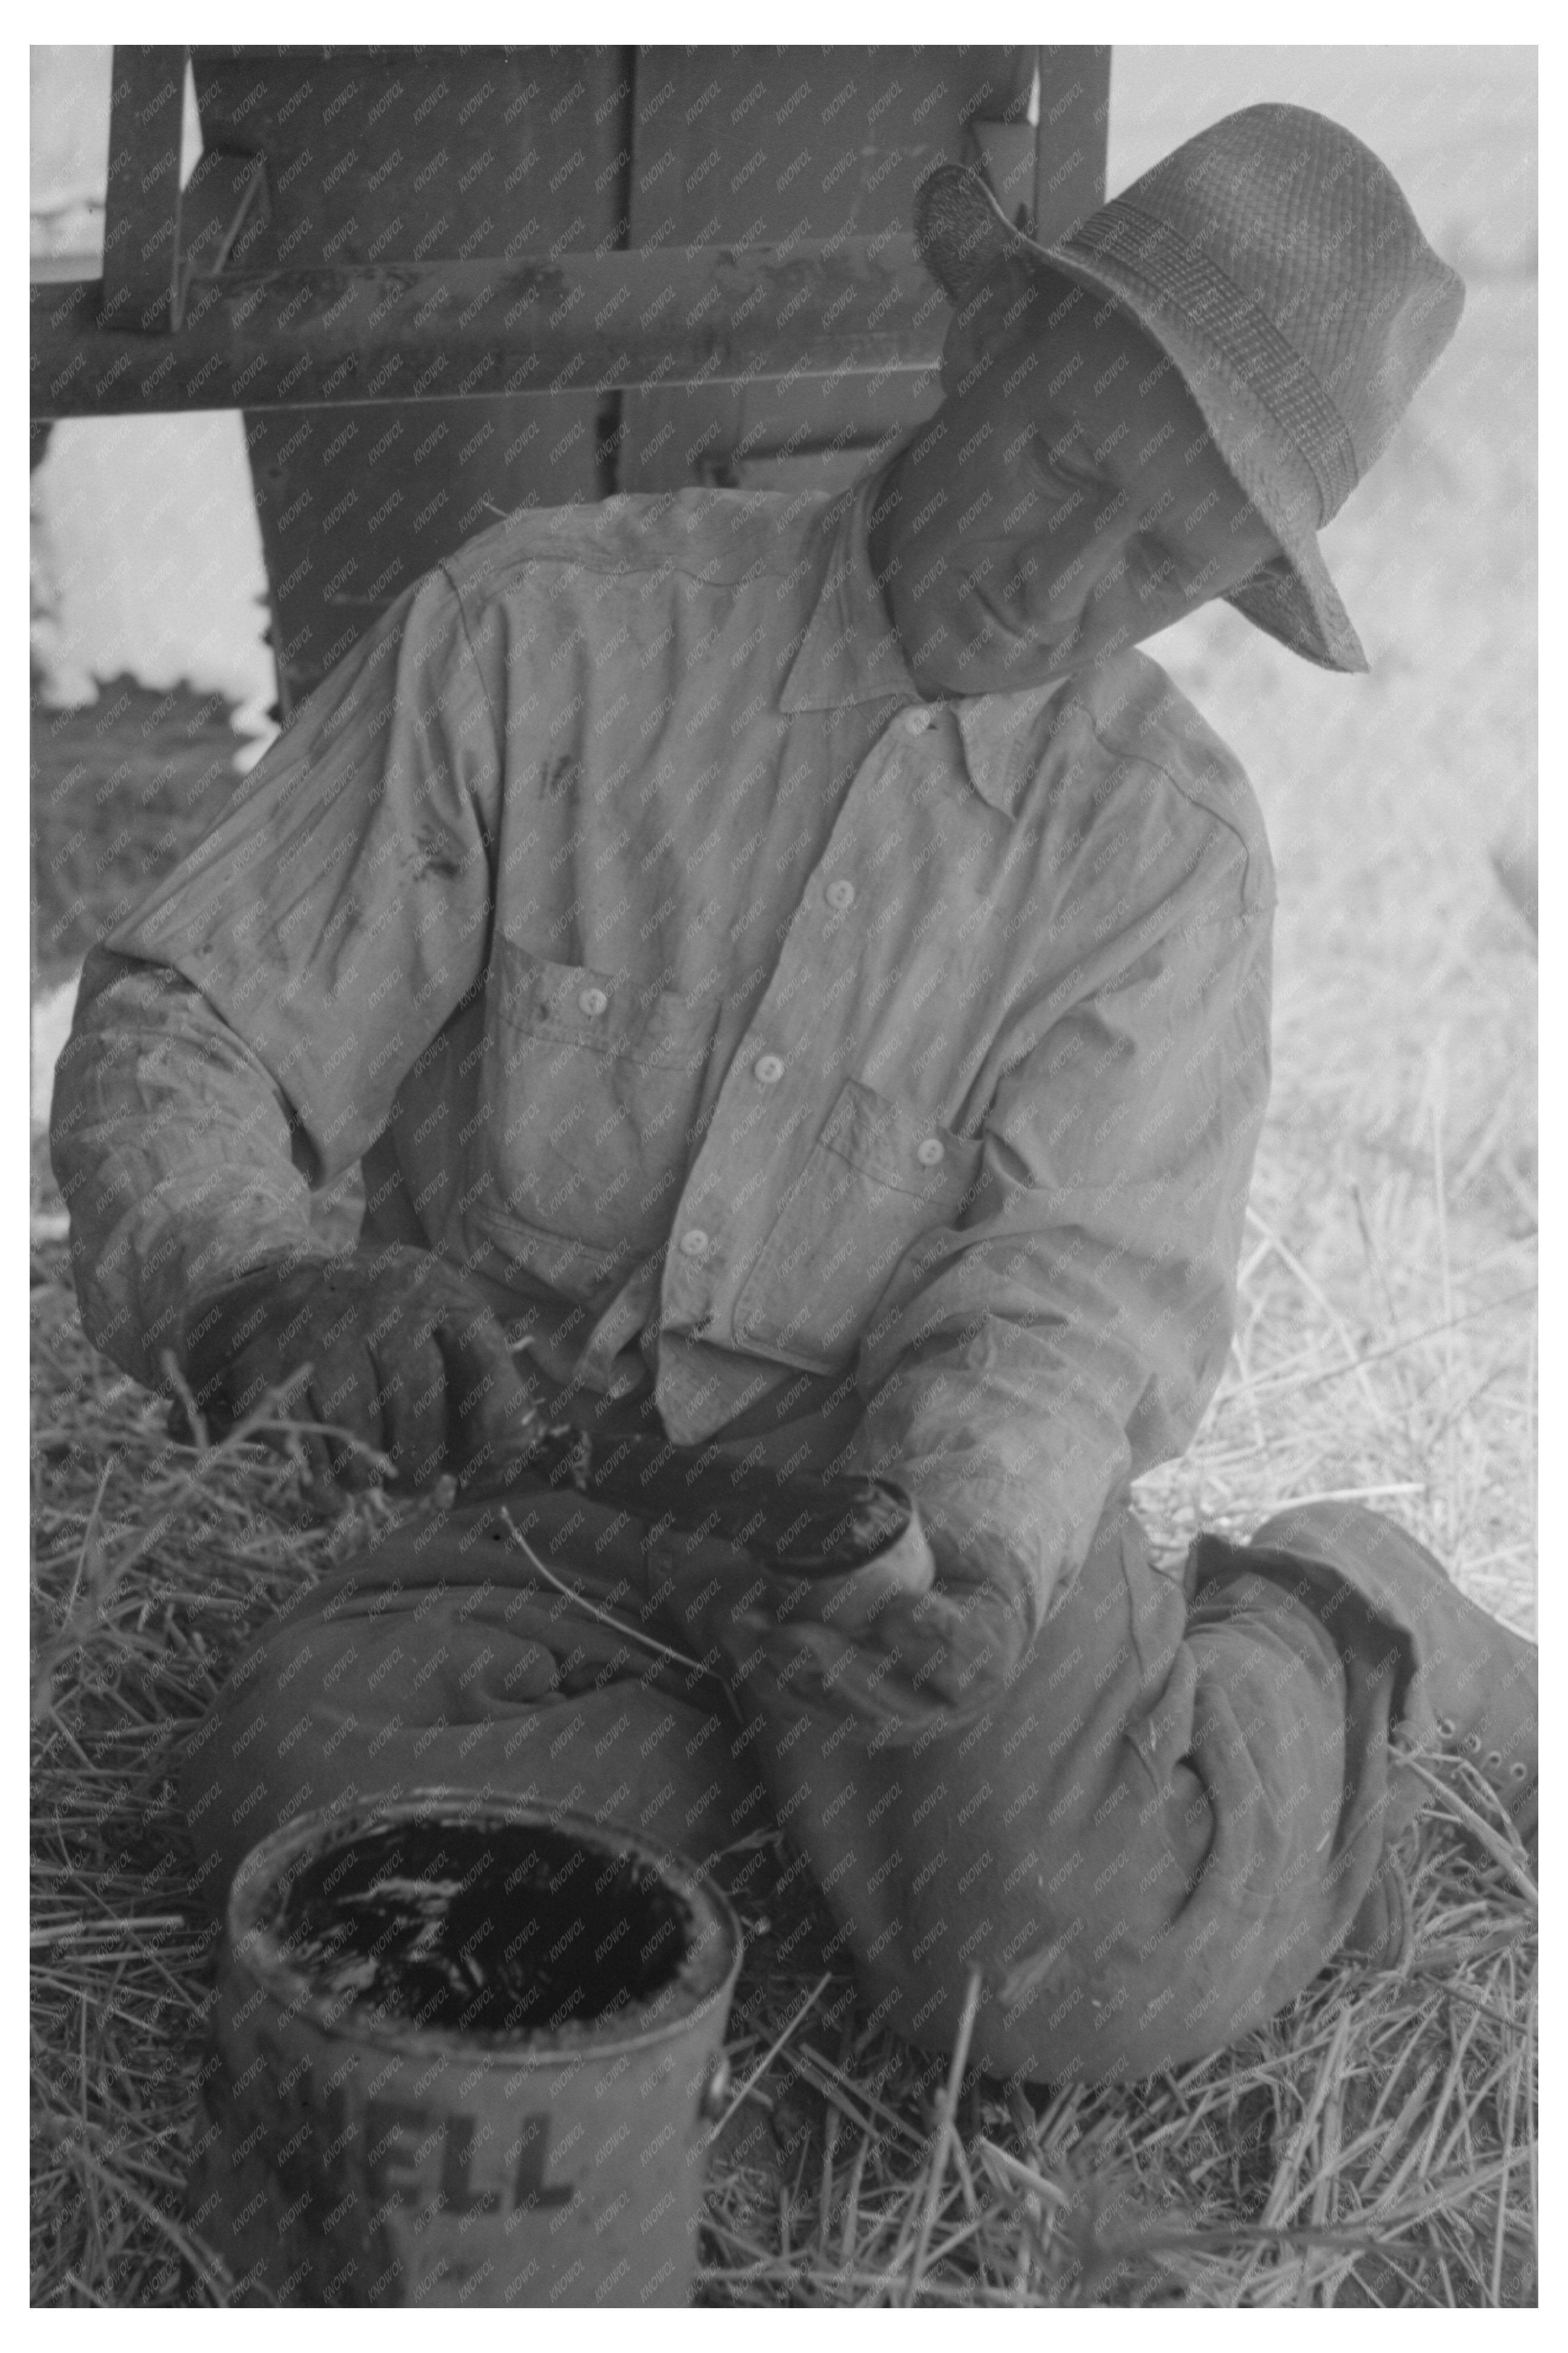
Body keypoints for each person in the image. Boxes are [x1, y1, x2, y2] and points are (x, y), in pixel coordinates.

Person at [52, 104, 1535, 2087]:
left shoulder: (1163, 856)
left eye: (1164, 559)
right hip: (554, 1538)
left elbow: (1061, 1306)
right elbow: (194, 1012)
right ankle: (903, 1845)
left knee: (1061, 1985)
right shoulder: (545, 627)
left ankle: (1335, 1634)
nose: (1067, 580)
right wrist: (253, 1277)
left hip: (911, 1558)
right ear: (978, 347)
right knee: (285, 1801)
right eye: (1068, 465)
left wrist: (976, 1572)